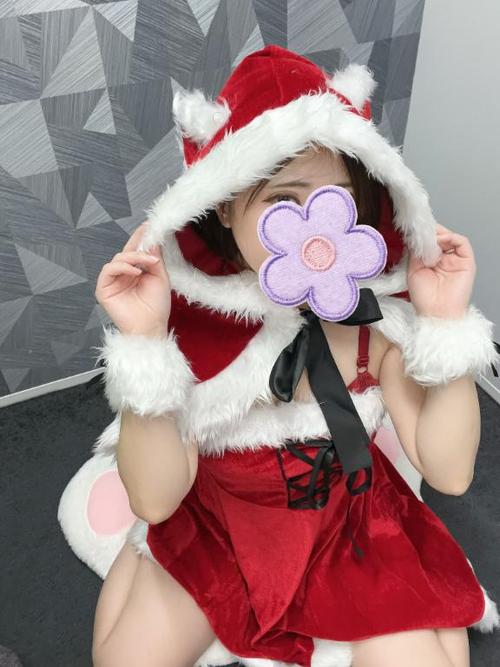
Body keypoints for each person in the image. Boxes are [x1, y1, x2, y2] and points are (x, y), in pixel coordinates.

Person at [91, 45, 499, 667]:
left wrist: (445, 324)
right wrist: (145, 346)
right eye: (284, 200)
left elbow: (449, 473)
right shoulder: (192, 329)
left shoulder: (375, 325)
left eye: (337, 201)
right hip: (221, 523)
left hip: (346, 523)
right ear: (225, 203)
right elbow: (155, 500)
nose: (315, 234)